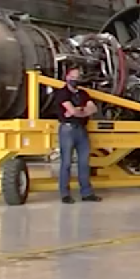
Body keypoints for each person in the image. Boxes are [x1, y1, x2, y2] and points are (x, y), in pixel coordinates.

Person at [55, 68, 101, 204]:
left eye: (77, 77)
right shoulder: (62, 93)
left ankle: (87, 193)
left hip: (82, 130)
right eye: (73, 77)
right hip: (67, 130)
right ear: (67, 77)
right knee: (66, 163)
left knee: (84, 163)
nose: (75, 79)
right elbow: (72, 111)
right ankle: (65, 194)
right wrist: (81, 110)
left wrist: (78, 111)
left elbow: (93, 108)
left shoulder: (83, 93)